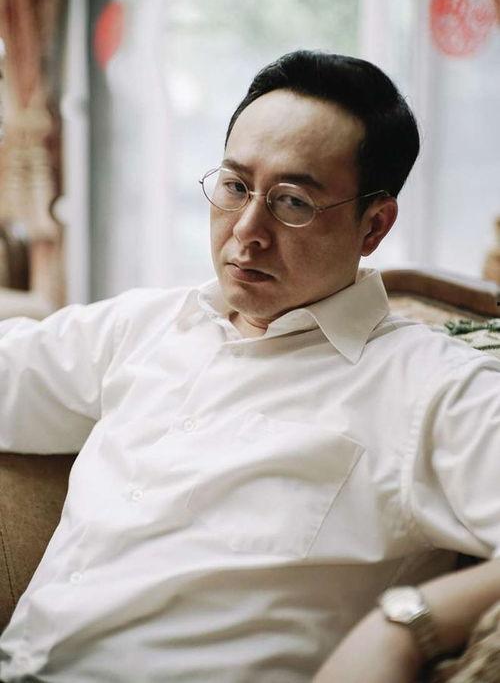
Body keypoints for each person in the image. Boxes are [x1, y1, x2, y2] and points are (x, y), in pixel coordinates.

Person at [0, 50, 499, 683]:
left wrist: (406, 626)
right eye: (235, 188)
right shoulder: (145, 326)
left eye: (292, 202)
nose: (247, 232)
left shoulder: (432, 388)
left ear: (373, 225)